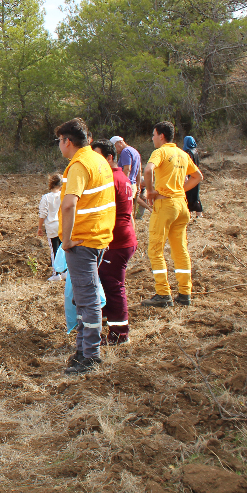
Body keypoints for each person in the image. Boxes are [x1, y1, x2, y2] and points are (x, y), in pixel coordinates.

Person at [56, 118, 116, 375]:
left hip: (83, 240)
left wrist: (66, 240)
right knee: (82, 297)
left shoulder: (78, 165)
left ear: (67, 142)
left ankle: (90, 356)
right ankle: (82, 349)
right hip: (98, 237)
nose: (59, 145)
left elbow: (69, 204)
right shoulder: (99, 160)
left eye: (59, 141)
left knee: (88, 299)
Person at [141, 121, 203, 308]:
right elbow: (198, 176)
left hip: (165, 205)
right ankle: (185, 293)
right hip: (181, 206)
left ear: (161, 135)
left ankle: (163, 293)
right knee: (180, 249)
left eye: (153, 135)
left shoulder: (160, 152)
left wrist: (150, 191)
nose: (152, 138)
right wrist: (180, 190)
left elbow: (149, 169)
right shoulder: (182, 154)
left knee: (155, 249)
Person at [91, 139, 136, 345]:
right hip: (123, 239)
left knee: (113, 286)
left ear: (110, 158)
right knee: (108, 283)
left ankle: (120, 335)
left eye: (98, 156)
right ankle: (108, 322)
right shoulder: (123, 177)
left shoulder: (111, 179)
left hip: (116, 242)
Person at [37, 173, 64, 282]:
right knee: (63, 249)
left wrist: (39, 227)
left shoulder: (46, 197)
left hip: (52, 227)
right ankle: (64, 271)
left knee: (54, 250)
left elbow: (42, 214)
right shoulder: (63, 195)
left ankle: (56, 273)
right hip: (63, 225)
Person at [183, 136, 203, 218]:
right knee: (196, 195)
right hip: (196, 174)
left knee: (188, 195)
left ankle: (189, 213)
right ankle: (199, 214)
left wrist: (186, 176)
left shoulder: (188, 152)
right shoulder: (196, 151)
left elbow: (187, 165)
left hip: (191, 175)